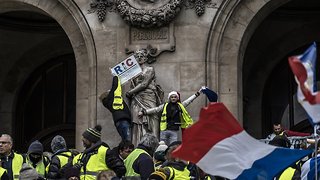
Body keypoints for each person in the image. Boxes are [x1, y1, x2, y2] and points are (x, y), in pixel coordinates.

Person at [126, 49, 163, 146]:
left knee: (151, 120)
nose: (139, 58)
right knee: (137, 121)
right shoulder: (133, 72)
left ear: (145, 58)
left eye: (141, 56)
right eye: (137, 56)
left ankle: (152, 146)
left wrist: (130, 92)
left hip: (148, 97)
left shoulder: (149, 69)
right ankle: (137, 144)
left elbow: (144, 84)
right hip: (136, 99)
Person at [100, 76, 132, 141]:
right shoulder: (111, 98)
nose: (110, 91)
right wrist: (116, 75)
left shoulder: (108, 103)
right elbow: (115, 86)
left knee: (125, 140)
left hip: (119, 121)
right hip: (123, 121)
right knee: (128, 141)